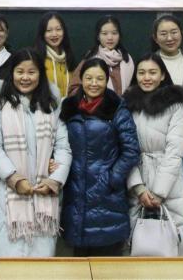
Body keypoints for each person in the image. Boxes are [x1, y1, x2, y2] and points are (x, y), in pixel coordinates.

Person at [0, 49, 72, 257]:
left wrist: (55, 180)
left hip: (45, 197)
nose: (25, 77)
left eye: (31, 72)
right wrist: (15, 179)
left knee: (41, 267)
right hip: (8, 197)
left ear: (40, 75)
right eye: (20, 71)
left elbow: (63, 147)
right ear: (11, 74)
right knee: (8, 266)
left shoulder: (51, 108)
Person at [61, 58, 141, 256]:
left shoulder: (117, 108)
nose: (94, 83)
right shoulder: (69, 107)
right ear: (81, 79)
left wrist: (112, 178)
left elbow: (131, 150)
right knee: (79, 262)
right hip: (75, 191)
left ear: (107, 80)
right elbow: (59, 142)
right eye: (89, 78)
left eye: (100, 78)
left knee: (107, 262)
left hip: (107, 194)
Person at [122, 55, 183, 256]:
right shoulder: (128, 105)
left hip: (170, 183)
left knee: (174, 241)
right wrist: (138, 188)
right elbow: (125, 148)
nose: (147, 78)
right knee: (137, 243)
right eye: (142, 73)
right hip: (137, 179)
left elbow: (175, 150)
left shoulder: (175, 105)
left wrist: (159, 192)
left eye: (152, 73)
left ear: (162, 75)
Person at [68, 15, 135, 97]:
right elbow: (73, 89)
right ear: (98, 37)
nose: (110, 38)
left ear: (119, 35)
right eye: (104, 33)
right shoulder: (90, 59)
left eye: (114, 33)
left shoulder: (127, 60)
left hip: (123, 104)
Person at [150, 15, 183, 106]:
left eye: (174, 32)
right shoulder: (146, 65)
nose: (169, 38)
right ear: (155, 38)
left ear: (181, 33)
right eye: (163, 34)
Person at [35, 11, 73, 99]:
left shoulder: (68, 57)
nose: (54, 34)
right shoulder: (36, 59)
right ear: (42, 33)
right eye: (49, 30)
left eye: (58, 29)